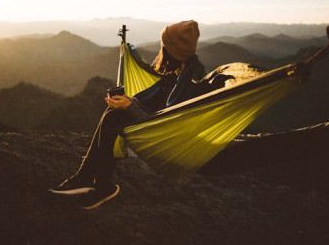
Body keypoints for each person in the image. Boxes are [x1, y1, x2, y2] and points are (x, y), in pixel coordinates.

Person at [48, 20, 215, 209]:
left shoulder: (190, 81)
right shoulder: (178, 71)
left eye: (165, 45)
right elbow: (157, 106)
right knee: (113, 112)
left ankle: (90, 180)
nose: (161, 49)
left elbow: (167, 122)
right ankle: (95, 182)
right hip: (159, 125)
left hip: (171, 136)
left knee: (114, 116)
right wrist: (127, 102)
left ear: (173, 50)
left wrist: (130, 107)